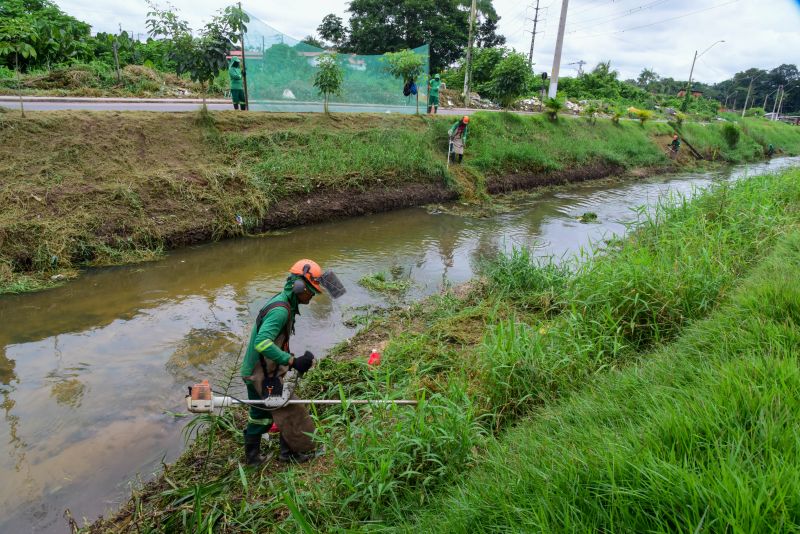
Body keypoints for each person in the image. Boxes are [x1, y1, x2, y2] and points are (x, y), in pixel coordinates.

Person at [240, 259, 326, 465]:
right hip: (259, 374)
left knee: (282, 409)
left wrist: (288, 361)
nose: (312, 296)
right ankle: (261, 458)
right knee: (275, 414)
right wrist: (292, 361)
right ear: (299, 286)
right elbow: (262, 343)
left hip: (265, 370)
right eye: (311, 291)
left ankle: (283, 454)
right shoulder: (281, 311)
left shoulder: (285, 303)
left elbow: (276, 342)